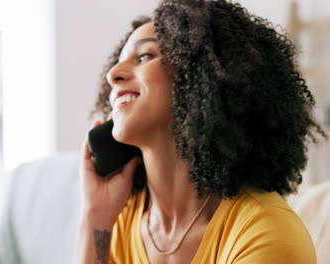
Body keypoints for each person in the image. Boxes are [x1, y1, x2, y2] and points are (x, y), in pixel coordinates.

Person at [75, 0, 328, 263]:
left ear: (200, 75)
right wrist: (95, 214)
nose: (113, 74)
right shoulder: (119, 221)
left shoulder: (265, 233)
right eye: (118, 62)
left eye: (145, 56)